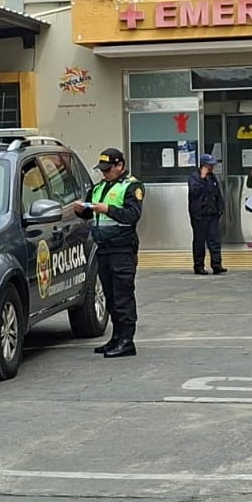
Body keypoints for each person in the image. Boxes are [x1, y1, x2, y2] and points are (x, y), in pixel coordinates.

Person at [74, 148, 145, 358]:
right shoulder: (99, 187)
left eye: (108, 169)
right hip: (103, 249)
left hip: (122, 248)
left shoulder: (132, 186)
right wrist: (83, 209)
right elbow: (91, 211)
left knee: (123, 297)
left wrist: (107, 209)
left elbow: (132, 215)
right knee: (111, 296)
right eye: (102, 170)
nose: (105, 173)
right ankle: (116, 337)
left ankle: (127, 341)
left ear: (120, 166)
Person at [187, 153, 228, 275]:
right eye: (210, 165)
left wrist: (220, 208)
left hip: (212, 213)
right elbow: (194, 192)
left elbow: (217, 194)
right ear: (203, 165)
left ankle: (216, 264)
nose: (212, 167)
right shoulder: (194, 177)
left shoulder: (213, 178)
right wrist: (202, 178)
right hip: (199, 215)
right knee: (199, 241)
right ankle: (198, 266)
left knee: (214, 239)